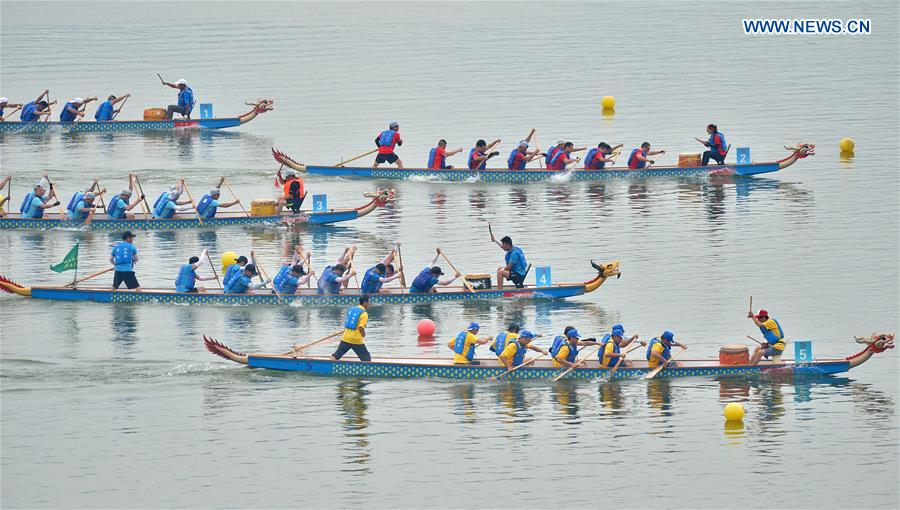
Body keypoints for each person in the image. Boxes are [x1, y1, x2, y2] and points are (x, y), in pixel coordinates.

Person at [332, 296, 373, 362]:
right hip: (356, 340)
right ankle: (367, 370)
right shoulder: (364, 314)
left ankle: (330, 364)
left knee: (336, 355)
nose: (370, 303)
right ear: (365, 302)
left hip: (346, 337)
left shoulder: (351, 309)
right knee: (367, 359)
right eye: (369, 302)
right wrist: (363, 334)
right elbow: (361, 327)